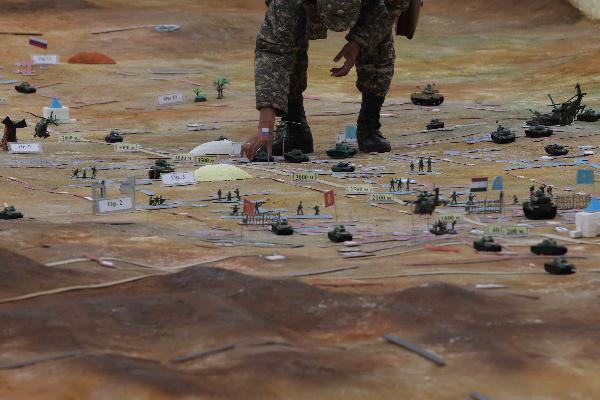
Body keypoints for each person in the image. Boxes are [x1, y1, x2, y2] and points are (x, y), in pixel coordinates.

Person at [241, 0, 411, 160]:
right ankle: (295, 129)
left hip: (370, 5)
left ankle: (369, 126)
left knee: (379, 41)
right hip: (305, 6)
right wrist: (265, 128)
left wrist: (359, 41)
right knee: (291, 42)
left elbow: (391, 8)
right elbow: (273, 51)